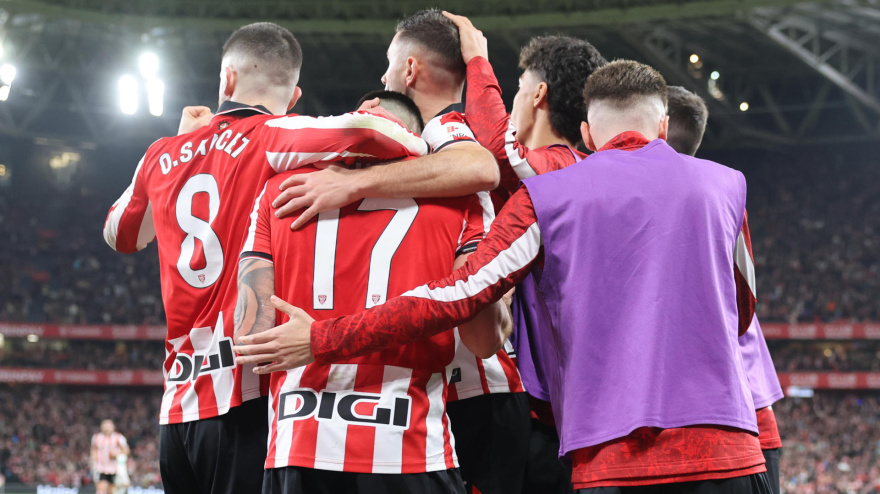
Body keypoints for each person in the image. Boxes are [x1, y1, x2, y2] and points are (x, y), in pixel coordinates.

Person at [235, 60, 771, 493]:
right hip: (729, 453)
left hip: (611, 459)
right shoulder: (728, 186)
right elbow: (742, 307)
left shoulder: (547, 197)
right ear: (662, 127)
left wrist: (324, 336)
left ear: (588, 131)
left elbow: (456, 297)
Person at [103, 22, 495, 494]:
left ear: (225, 80)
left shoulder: (161, 155)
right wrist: (416, 143)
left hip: (179, 408)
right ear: (293, 99)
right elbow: (377, 128)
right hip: (246, 397)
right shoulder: (276, 136)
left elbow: (119, 234)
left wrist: (184, 141)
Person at [234, 90, 508, 494]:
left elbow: (250, 341)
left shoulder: (279, 192)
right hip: (412, 448)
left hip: (299, 445)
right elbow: (484, 341)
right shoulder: (463, 199)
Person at [443, 11, 607, 494]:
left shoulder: (562, 165)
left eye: (517, 87)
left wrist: (477, 61)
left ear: (537, 96)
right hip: (546, 403)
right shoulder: (554, 175)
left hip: (539, 413)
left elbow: (498, 150)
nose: (509, 99)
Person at [666, 86, 784, 494]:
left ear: (657, 129)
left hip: (724, 421)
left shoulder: (683, 198)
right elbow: (746, 296)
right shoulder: (719, 193)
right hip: (751, 410)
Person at [91, 420, 129, 494]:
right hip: (100, 467)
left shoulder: (119, 437)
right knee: (101, 489)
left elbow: (126, 450)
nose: (107, 428)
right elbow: (93, 450)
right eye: (105, 426)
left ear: (113, 427)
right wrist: (93, 460)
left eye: (108, 426)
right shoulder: (96, 437)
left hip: (114, 468)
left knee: (111, 490)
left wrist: (117, 453)